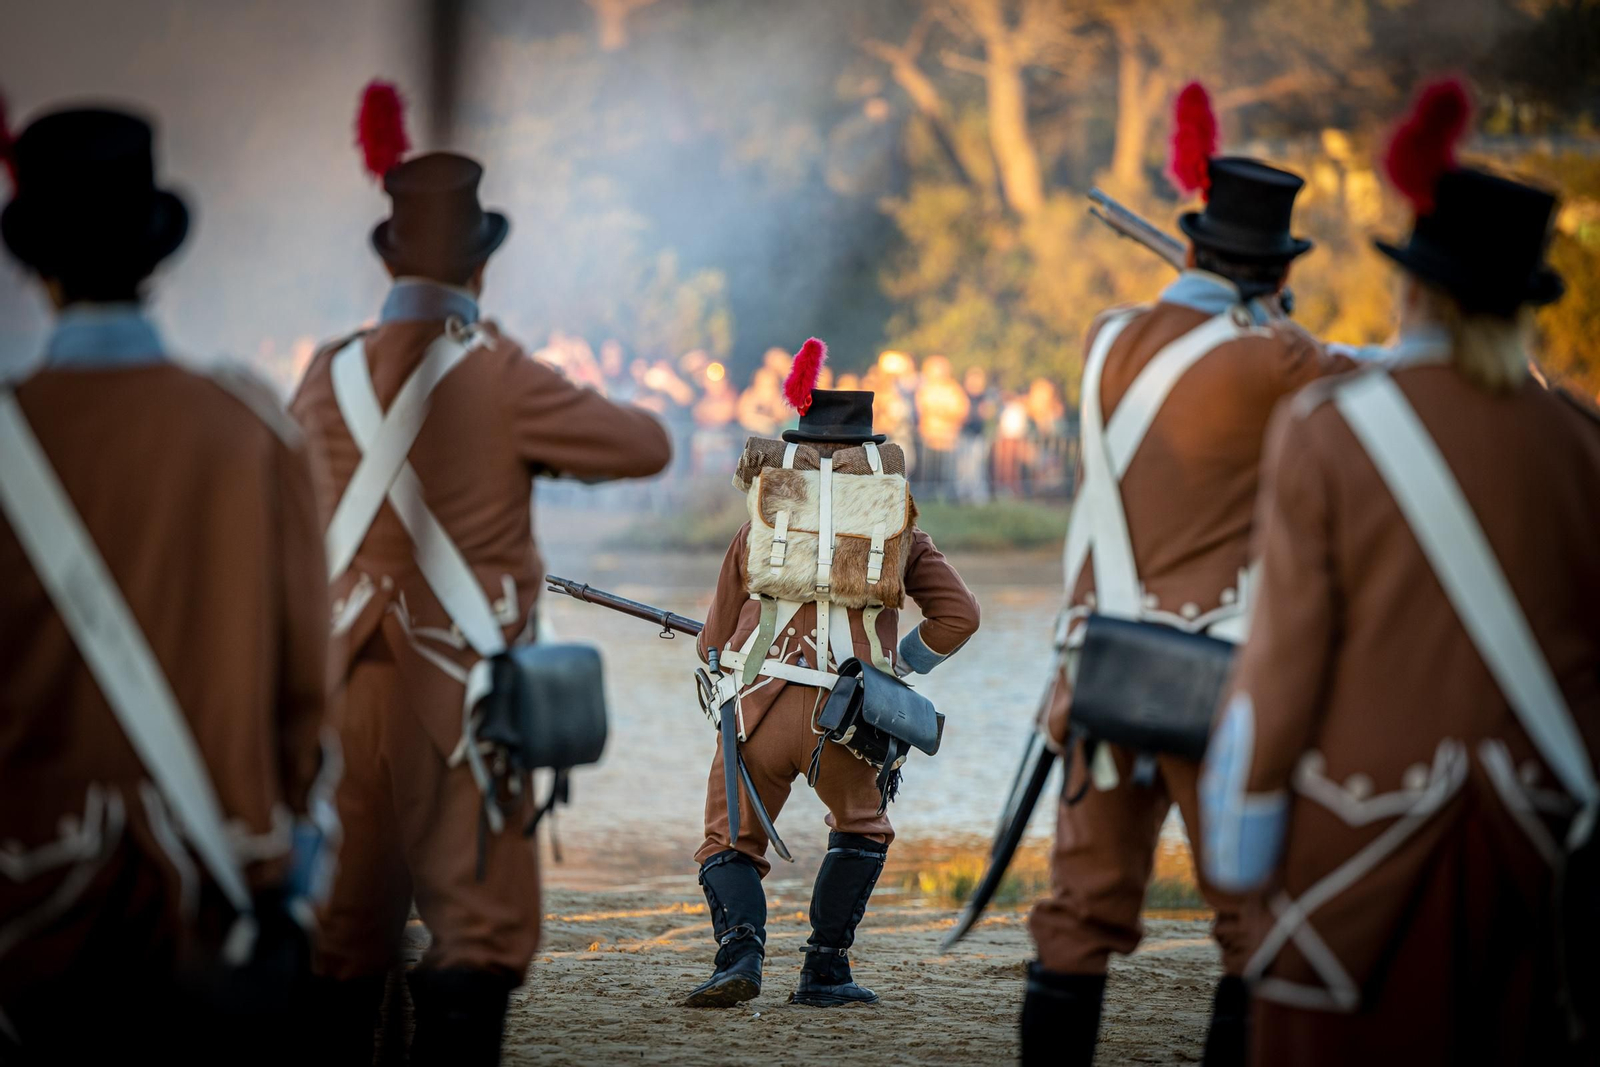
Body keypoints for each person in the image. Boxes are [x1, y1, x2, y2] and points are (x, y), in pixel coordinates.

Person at [1198, 78, 1600, 1067]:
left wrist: (1240, 838)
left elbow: (1281, 665)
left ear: (1412, 288)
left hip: (1361, 850)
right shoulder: (1581, 444)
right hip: (1543, 854)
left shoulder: (1330, 434)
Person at [289, 82, 671, 1065]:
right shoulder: (496, 371)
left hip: (339, 692)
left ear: (386, 259)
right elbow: (644, 444)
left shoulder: (323, 373)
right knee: (479, 938)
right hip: (459, 699)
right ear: (482, 262)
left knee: (342, 941)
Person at [1023, 83, 1353, 1067]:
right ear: (1270, 270)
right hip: (1216, 676)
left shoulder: (1106, 336)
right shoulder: (1278, 357)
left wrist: (1250, 314)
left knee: (1078, 911)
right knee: (1253, 912)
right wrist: (1274, 323)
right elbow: (1372, 379)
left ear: (1197, 249)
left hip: (1102, 668)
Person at [0, 106, 334, 1063]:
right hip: (213, 907)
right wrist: (284, 855)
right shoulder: (249, 427)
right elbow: (304, 695)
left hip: (24, 929)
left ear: (37, 266)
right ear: (154, 258)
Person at [687, 338, 980, 1009]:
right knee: (862, 828)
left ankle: (739, 953)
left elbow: (711, 642)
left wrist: (729, 650)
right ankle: (823, 971)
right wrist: (894, 666)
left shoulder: (759, 524)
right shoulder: (897, 531)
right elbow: (960, 615)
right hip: (846, 720)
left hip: (757, 712)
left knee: (726, 841)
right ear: (866, 454)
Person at [913, 354, 970, 500]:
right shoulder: (926, 389)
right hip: (929, 438)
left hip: (948, 439)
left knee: (948, 470)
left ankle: (949, 496)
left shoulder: (953, 389)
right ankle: (928, 495)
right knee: (929, 470)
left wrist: (940, 412)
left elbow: (960, 411)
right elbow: (923, 409)